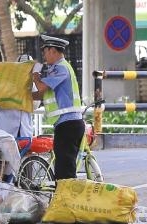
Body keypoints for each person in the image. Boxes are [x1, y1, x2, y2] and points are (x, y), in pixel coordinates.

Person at [32, 35, 84, 180]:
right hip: (66, 124)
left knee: (64, 170)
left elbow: (41, 87)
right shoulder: (56, 69)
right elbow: (44, 94)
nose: (44, 55)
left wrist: (35, 75)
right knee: (62, 166)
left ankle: (65, 200)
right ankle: (63, 198)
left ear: (53, 51)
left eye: (45, 52)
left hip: (69, 125)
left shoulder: (60, 68)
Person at [0, 54, 40, 138]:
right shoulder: (6, 82)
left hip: (24, 130)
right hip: (5, 130)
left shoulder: (32, 84)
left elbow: (35, 105)